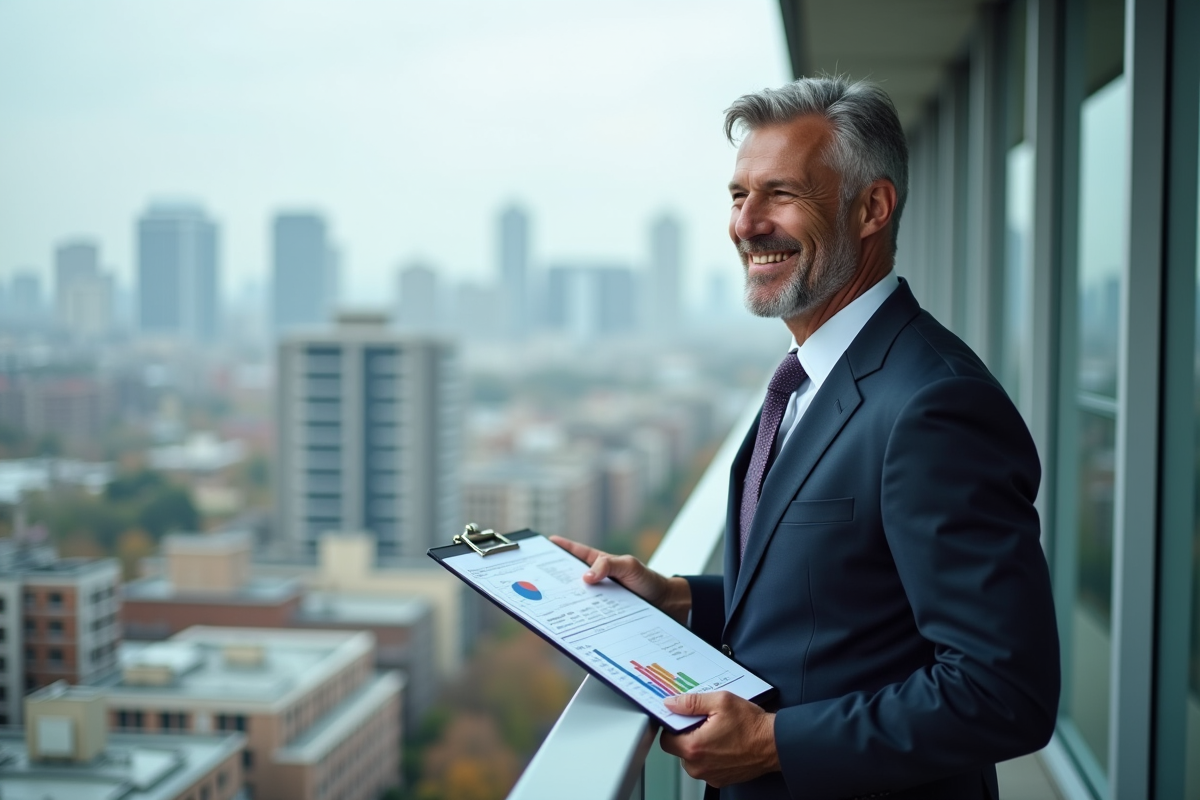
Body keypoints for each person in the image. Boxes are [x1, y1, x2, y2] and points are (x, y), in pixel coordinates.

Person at [552, 76, 1060, 800]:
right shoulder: (812, 376)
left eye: (780, 194)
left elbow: (1003, 691)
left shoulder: (935, 404)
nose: (746, 224)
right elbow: (854, 594)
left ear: (871, 209)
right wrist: (682, 599)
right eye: (737, 196)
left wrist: (773, 743)